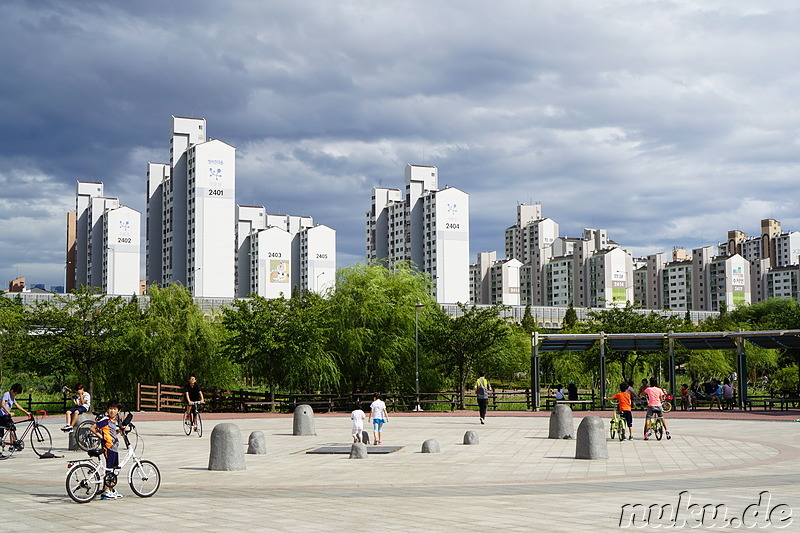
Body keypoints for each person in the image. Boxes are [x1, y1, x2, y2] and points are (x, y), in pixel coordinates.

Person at [90, 400, 126, 500]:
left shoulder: (114, 421)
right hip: (108, 448)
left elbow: (112, 433)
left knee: (114, 469)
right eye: (110, 409)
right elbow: (92, 428)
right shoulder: (105, 420)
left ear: (118, 411)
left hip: (114, 448)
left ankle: (111, 489)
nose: (112, 411)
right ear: (107, 409)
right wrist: (101, 436)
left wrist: (120, 430)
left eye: (115, 409)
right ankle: (106, 491)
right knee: (109, 469)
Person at [1, 383, 30, 449]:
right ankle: (12, 444)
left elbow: (17, 406)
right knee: (2, 433)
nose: (15, 395)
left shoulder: (12, 397)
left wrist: (26, 412)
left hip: (6, 416)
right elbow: (2, 404)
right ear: (12, 390)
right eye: (15, 393)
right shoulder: (6, 394)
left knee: (12, 428)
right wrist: (9, 412)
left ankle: (12, 445)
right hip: (2, 416)